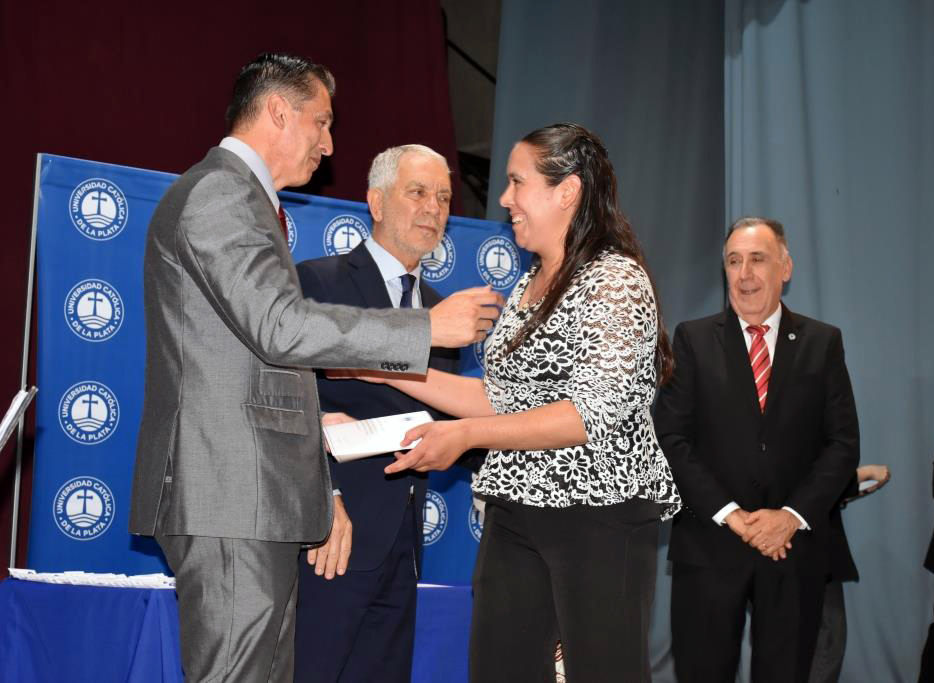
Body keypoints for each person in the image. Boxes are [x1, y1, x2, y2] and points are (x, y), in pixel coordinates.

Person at [127, 53, 501, 683]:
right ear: (278, 111)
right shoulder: (221, 192)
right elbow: (281, 328)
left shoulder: (245, 201)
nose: (329, 145)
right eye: (321, 123)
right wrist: (425, 329)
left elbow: (275, 355)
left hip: (255, 498)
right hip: (228, 495)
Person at [339, 123, 681, 682]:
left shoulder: (615, 280)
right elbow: (498, 399)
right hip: (515, 512)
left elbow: (587, 415)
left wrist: (466, 438)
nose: (504, 199)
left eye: (518, 182)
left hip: (598, 520)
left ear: (566, 191)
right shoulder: (529, 283)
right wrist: (381, 367)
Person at [654, 216, 860, 683]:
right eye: (733, 261)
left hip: (793, 551)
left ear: (785, 267)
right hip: (710, 549)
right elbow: (670, 438)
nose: (744, 273)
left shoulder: (823, 343)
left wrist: (790, 515)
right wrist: (731, 514)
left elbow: (843, 444)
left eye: (758, 260)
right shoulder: (692, 339)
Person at [292, 144, 459, 682]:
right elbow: (281, 394)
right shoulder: (318, 283)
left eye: (443, 197)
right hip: (329, 536)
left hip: (404, 546)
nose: (433, 208)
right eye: (417, 192)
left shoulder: (442, 311)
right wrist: (323, 497)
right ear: (376, 201)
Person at [809, 463, 891, 683]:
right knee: (827, 639)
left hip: (807, 547)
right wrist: (861, 476)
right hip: (804, 552)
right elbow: (804, 483)